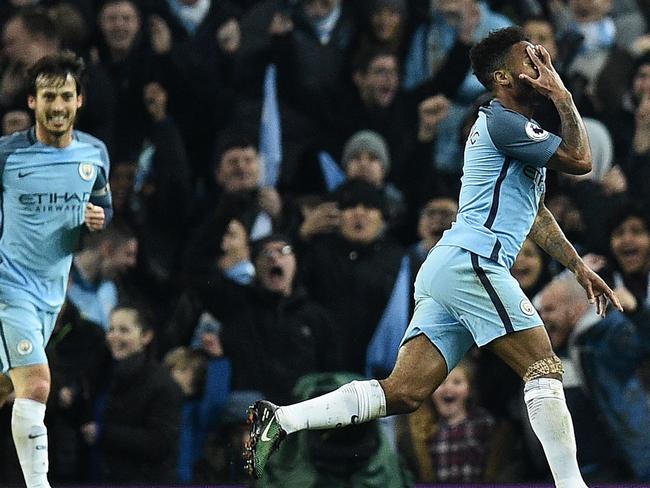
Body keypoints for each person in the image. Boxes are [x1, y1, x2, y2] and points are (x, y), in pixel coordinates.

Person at [244, 27, 623, 488]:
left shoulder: (515, 132)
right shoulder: (502, 119)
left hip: (449, 267)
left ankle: (281, 419)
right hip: (474, 261)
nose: (543, 61)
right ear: (503, 77)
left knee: (403, 392)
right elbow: (583, 161)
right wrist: (563, 94)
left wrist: (578, 266)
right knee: (542, 365)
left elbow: (535, 213)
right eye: (531, 57)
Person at [0, 51, 111, 488]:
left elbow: (102, 210)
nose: (58, 105)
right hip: (8, 285)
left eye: (66, 95)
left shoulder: (94, 154)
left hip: (51, 293)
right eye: (48, 96)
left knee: (8, 390)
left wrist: (95, 221)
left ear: (79, 100)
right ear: (33, 102)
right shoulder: (8, 155)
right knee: (37, 383)